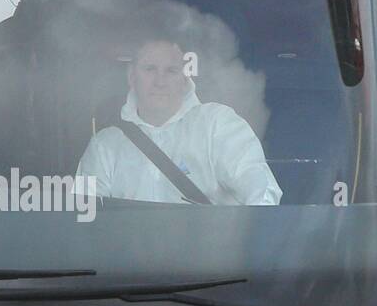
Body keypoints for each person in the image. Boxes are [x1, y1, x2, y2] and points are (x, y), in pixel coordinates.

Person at [76, 35, 281, 205]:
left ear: (184, 79)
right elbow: (86, 217)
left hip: (210, 253)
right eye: (150, 69)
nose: (160, 81)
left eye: (171, 71)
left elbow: (261, 192)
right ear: (131, 77)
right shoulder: (104, 146)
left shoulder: (217, 125)